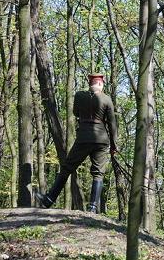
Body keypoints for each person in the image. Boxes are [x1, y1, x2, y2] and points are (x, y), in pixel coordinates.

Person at [36, 73, 117, 213]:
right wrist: (114, 145)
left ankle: (49, 200)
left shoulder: (79, 96)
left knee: (67, 168)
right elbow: (112, 123)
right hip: (101, 140)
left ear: (90, 83)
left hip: (84, 138)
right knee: (98, 173)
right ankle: (92, 208)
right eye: (102, 84)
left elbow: (75, 112)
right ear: (99, 83)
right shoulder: (107, 99)